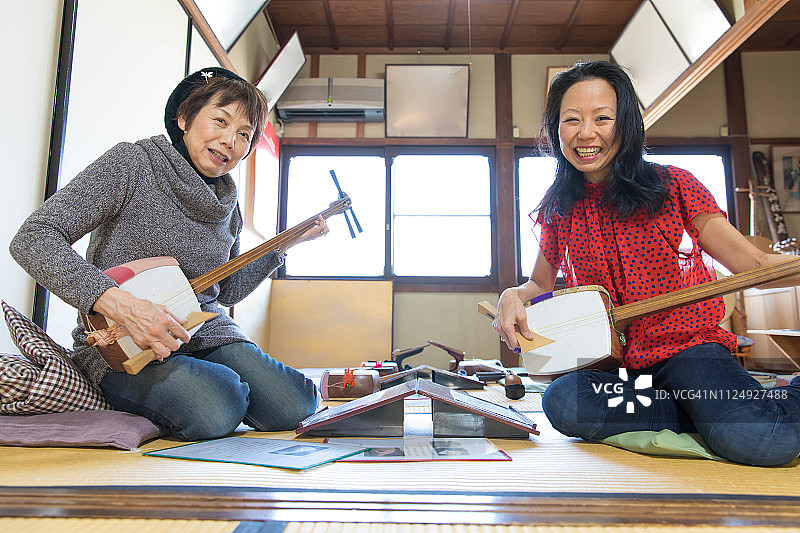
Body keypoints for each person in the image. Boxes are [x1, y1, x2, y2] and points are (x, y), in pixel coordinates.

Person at [493, 60, 800, 467]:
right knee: (565, 401)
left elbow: (757, 264)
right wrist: (509, 297)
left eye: (602, 118)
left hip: (690, 350)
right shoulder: (559, 209)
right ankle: (702, 414)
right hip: (624, 366)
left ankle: (739, 408)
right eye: (571, 120)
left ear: (626, 125)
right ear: (556, 130)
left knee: (759, 440)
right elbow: (537, 284)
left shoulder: (674, 185)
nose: (586, 133)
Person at [10, 67, 327, 440]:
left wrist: (284, 247)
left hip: (206, 332)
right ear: (184, 118)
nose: (230, 141)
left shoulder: (228, 200)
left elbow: (226, 291)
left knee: (296, 403)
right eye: (220, 121)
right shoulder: (133, 163)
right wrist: (120, 304)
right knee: (217, 406)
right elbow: (33, 237)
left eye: (244, 134)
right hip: (125, 343)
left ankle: (200, 383)